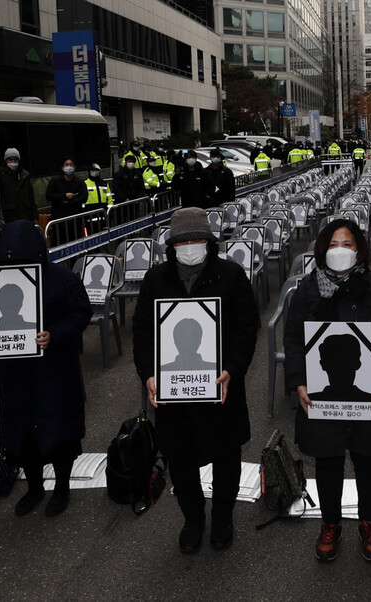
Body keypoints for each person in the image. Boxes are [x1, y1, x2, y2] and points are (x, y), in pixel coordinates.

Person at [132, 207, 259, 554]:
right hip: (174, 392)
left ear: (209, 241)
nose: (190, 246)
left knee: (226, 456)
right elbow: (143, 331)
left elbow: (247, 328)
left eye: (196, 239)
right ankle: (192, 517)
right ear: (171, 245)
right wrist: (148, 374)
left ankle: (222, 516)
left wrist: (233, 368)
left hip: (221, 387)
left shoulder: (231, 276)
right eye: (182, 241)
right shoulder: (156, 280)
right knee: (180, 459)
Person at [283, 218, 371, 564]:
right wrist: (299, 381)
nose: (340, 250)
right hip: (321, 394)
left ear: (359, 250)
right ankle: (330, 523)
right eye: (334, 244)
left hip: (368, 396)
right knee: (327, 462)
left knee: (368, 462)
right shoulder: (308, 290)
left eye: (348, 244)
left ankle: (369, 524)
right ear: (323, 250)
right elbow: (292, 338)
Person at [0, 220, 92, 517]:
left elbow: (81, 313)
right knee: (22, 433)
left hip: (54, 371)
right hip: (14, 375)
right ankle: (35, 488)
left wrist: (54, 334)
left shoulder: (62, 279)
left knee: (60, 432)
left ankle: (62, 487)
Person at [0, 148, 38, 224]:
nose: (13, 162)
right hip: (8, 217)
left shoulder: (24, 174)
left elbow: (31, 196)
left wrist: (35, 216)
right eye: (10, 159)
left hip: (25, 215)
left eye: (15, 159)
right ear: (6, 160)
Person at [46, 157, 87, 221]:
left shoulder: (80, 182)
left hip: (75, 218)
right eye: (66, 164)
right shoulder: (55, 181)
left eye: (71, 165)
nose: (69, 167)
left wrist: (71, 201)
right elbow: (49, 196)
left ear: (75, 168)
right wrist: (64, 195)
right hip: (59, 218)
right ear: (62, 168)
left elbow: (84, 197)